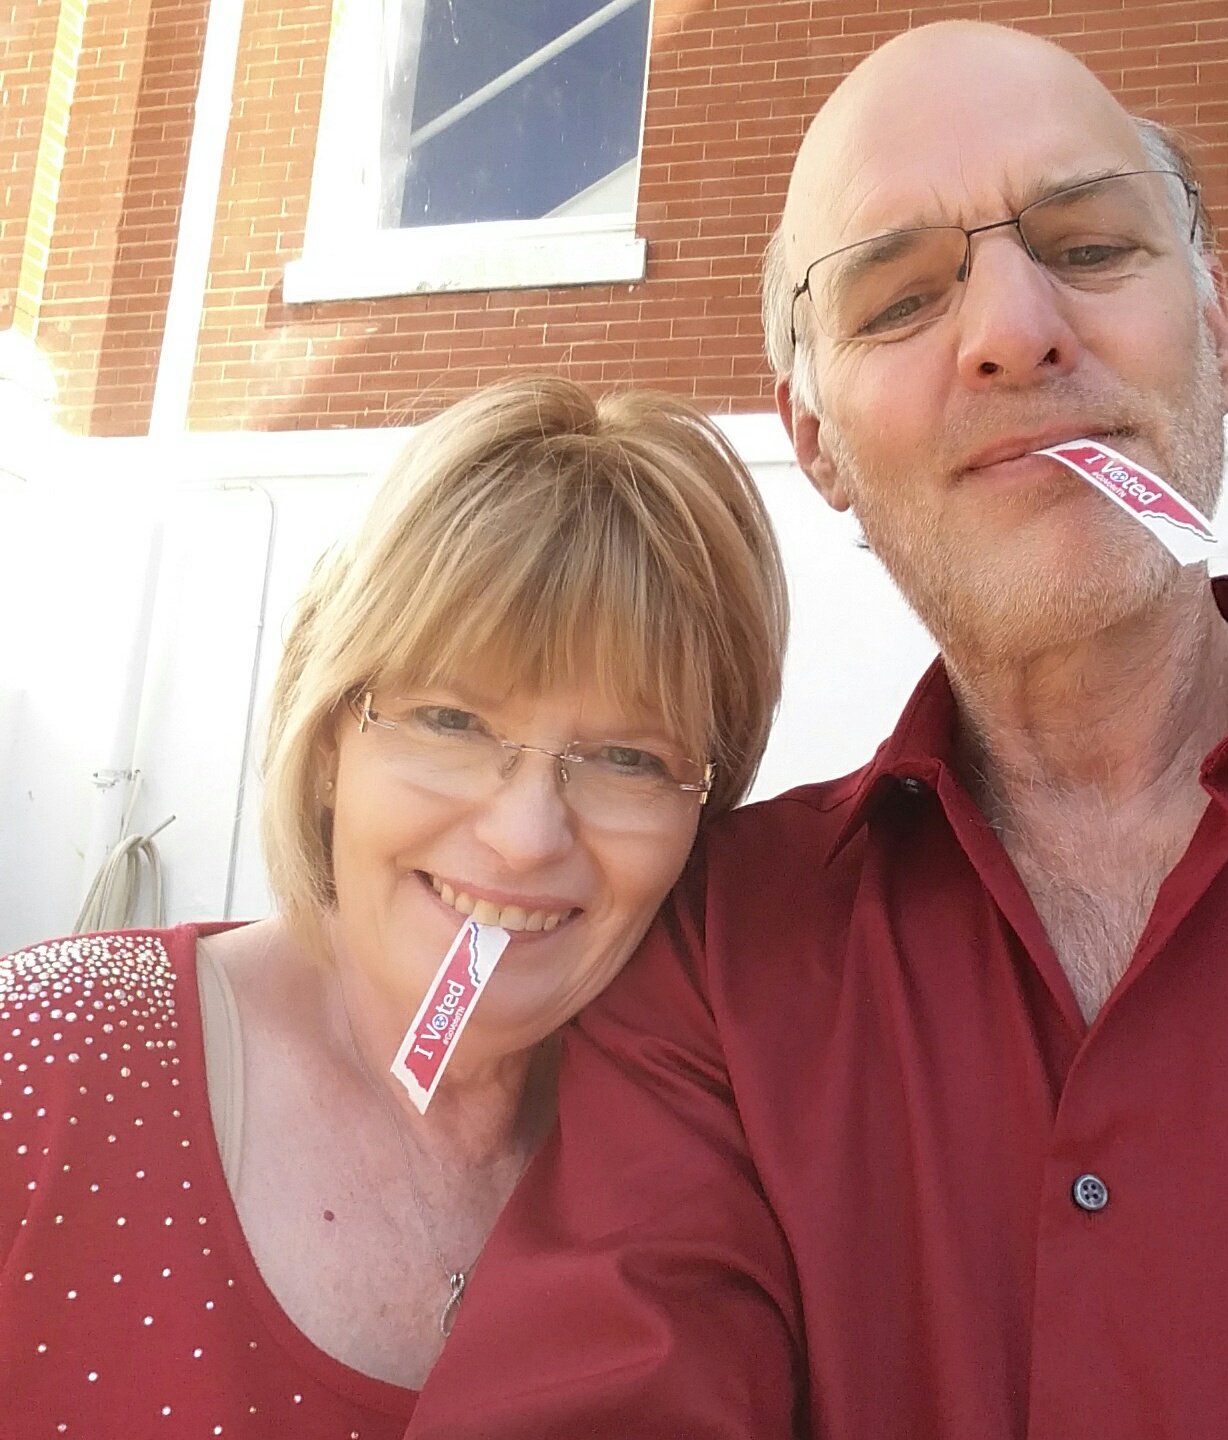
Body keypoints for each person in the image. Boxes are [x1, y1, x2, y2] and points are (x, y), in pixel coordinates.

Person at [407, 20, 1228, 1440]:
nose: (1015, 330)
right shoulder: (717, 963)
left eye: (1092, 246)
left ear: (1216, 331)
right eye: (898, 301)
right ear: (816, 442)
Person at [0, 375, 787, 1438]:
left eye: (626, 758)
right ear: (330, 734)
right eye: (452, 720)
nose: (526, 835)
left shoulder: (721, 1172)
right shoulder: (42, 1060)